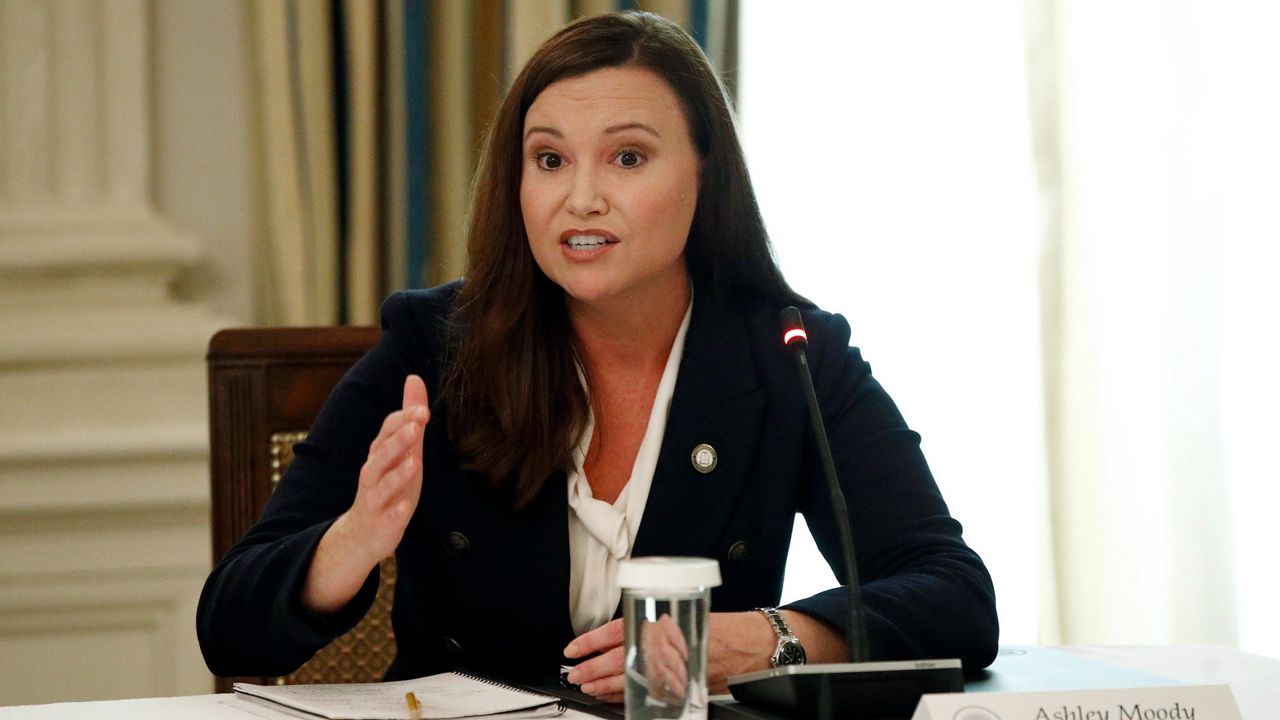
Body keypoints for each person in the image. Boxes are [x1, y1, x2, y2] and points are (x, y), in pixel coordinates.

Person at [197, 11, 998, 701]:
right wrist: (353, 542)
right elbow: (228, 631)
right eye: (549, 160)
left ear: (704, 170)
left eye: (627, 157)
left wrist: (770, 641)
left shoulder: (790, 356)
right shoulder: (435, 348)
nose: (581, 198)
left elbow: (956, 598)